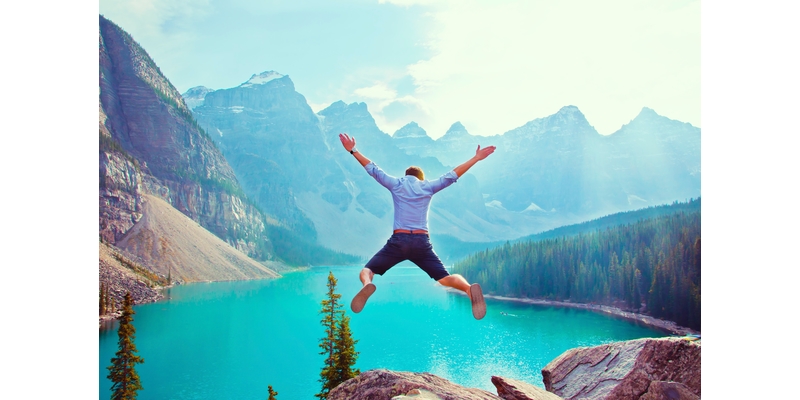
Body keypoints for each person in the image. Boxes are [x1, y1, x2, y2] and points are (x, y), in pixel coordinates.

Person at [339, 132, 496, 320]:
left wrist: (353, 150)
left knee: (367, 270)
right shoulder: (427, 186)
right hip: (422, 241)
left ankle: (367, 285)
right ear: (421, 178)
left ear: (406, 175)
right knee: (444, 278)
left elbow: (373, 169)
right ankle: (469, 289)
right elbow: (453, 175)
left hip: (399, 240)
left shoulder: (396, 184)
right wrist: (476, 158)